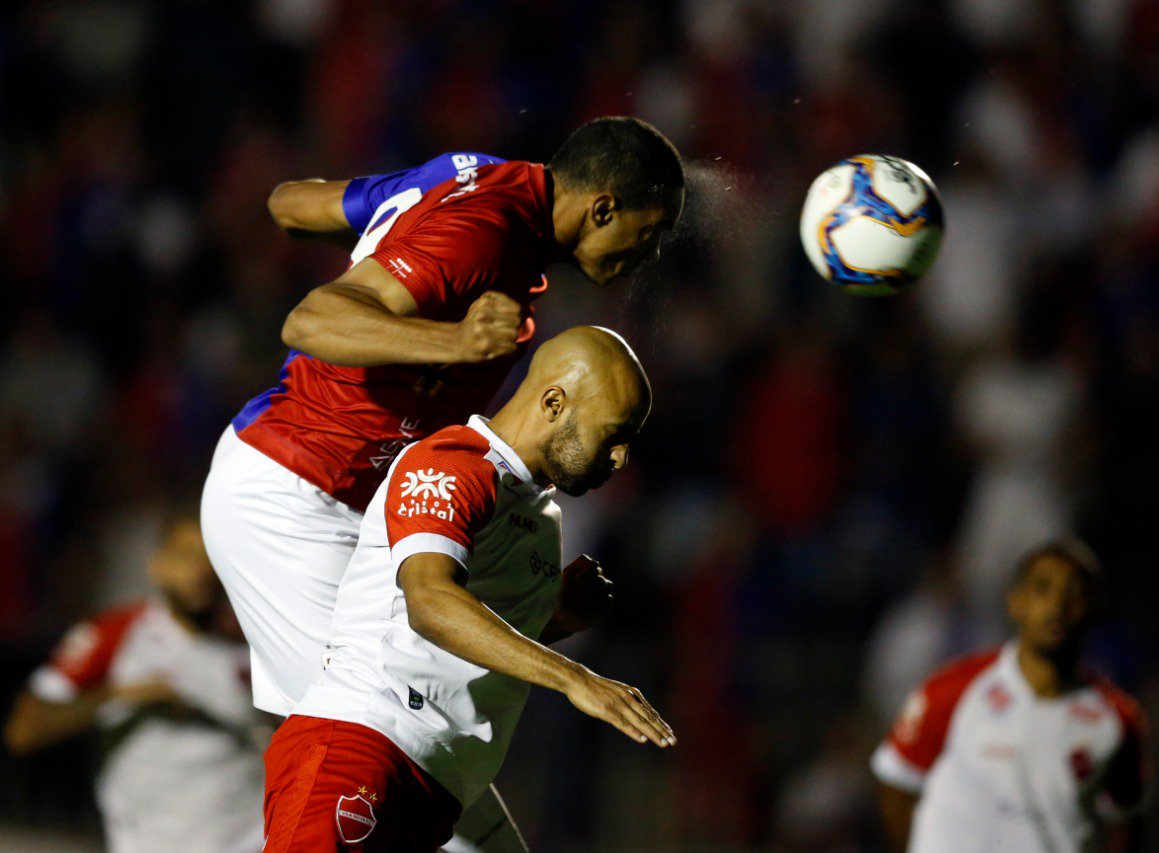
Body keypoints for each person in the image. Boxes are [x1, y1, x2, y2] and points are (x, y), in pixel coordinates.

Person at [202, 115, 683, 719]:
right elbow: (310, 321)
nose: (653, 252)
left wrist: (398, 241)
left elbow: (291, 205)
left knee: (425, 733)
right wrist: (453, 342)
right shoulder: (479, 230)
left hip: (348, 500)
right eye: (654, 230)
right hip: (296, 492)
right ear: (605, 209)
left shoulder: (466, 180)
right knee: (372, 729)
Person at [260, 326, 674, 851]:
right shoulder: (451, 465)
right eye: (613, 433)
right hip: (360, 751)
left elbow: (462, 647)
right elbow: (430, 604)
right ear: (554, 402)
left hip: (437, 786)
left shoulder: (540, 514)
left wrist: (556, 621)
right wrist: (574, 679)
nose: (620, 458)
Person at [4, 512, 266, 853]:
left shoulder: (259, 641)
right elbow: (24, 730)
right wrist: (125, 695)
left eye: (210, 557)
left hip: (253, 839)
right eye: (187, 556)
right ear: (158, 563)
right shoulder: (117, 635)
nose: (201, 571)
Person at [871, 539, 1148, 852]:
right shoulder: (952, 690)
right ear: (1016, 602)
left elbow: (1125, 820)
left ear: (1094, 607)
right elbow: (896, 783)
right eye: (1042, 589)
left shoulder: (1116, 718)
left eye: (1073, 592)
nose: (1057, 606)